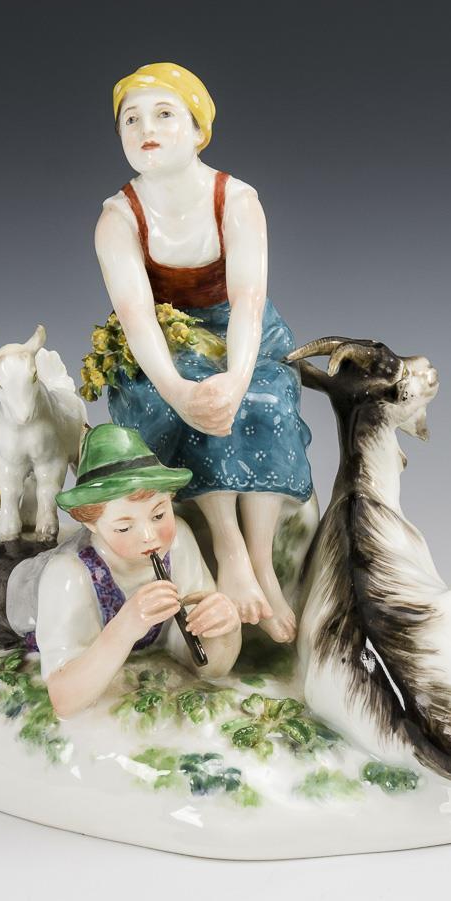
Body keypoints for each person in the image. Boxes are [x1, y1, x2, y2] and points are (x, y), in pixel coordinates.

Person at [95, 61, 312, 644]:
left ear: (197, 130)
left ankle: (262, 560)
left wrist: (237, 379)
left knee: (265, 399)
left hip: (242, 334)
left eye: (165, 114)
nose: (147, 128)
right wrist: (178, 392)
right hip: (164, 343)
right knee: (183, 405)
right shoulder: (118, 218)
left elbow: (248, 301)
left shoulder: (236, 200)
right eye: (131, 119)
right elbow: (137, 317)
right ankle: (229, 546)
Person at [0, 410, 241, 716]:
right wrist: (125, 628)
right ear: (91, 523)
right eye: (125, 526)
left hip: (37, 567)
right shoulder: (71, 577)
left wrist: (223, 627)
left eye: (159, 515)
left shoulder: (179, 542)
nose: (149, 536)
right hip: (1, 599)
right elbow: (64, 697)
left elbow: (203, 659)